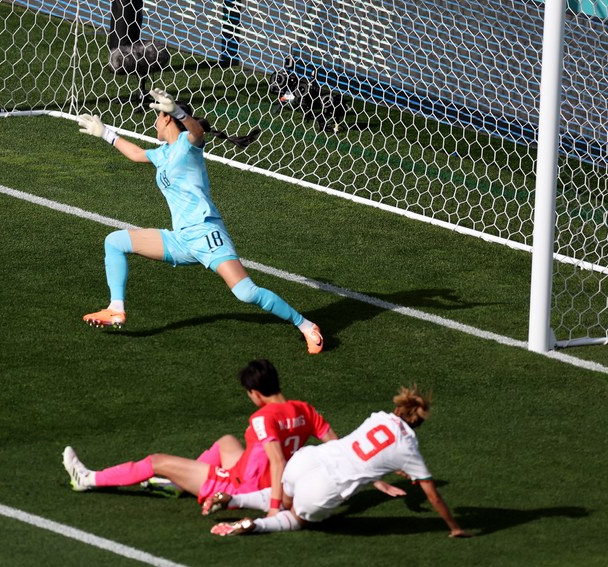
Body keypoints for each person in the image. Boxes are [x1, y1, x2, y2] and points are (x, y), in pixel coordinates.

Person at [75, 88, 324, 354]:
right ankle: (116, 309)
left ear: (168, 118)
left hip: (206, 234)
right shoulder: (164, 153)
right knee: (115, 241)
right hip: (180, 239)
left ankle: (307, 325)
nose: (155, 122)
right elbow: (137, 154)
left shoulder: (187, 144)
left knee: (246, 293)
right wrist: (106, 134)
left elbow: (198, 133)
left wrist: (179, 112)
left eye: (159, 117)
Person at [63, 359, 338, 514]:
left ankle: (88, 479)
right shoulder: (304, 409)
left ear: (255, 393)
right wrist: (371, 479)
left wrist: (274, 508)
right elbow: (337, 447)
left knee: (157, 461)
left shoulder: (263, 417)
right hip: (258, 476)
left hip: (243, 486)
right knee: (227, 442)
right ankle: (178, 485)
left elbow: (276, 461)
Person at [208, 384, 472, 538]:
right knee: (301, 519)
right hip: (327, 485)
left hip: (308, 459)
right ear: (419, 422)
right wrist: (455, 527)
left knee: (287, 497)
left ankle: (233, 500)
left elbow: (375, 449)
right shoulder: (409, 447)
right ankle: (255, 525)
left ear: (398, 409)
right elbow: (434, 496)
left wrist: (398, 466)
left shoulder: (379, 416)